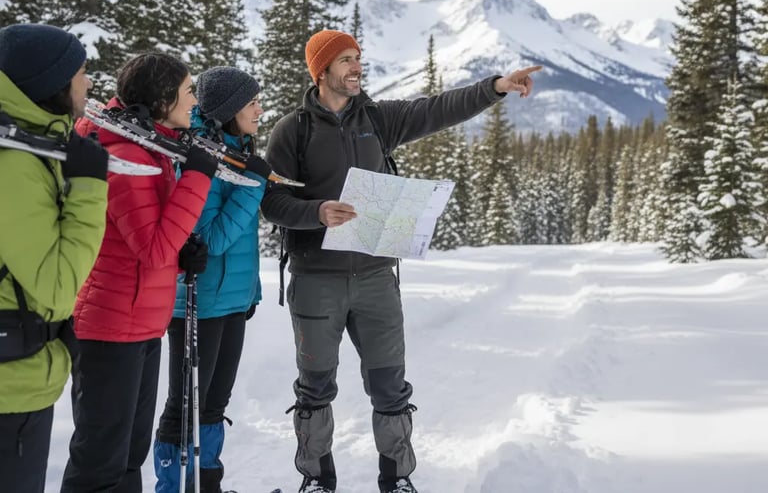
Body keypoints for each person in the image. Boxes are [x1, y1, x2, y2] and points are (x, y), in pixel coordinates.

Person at [261, 30, 541, 493]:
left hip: (376, 278)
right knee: (314, 387)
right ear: (322, 70)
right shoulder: (294, 130)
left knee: (391, 388)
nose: (356, 67)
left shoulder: (377, 118)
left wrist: (495, 87)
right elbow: (270, 202)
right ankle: (316, 480)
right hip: (316, 280)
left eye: (358, 58)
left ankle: (396, 479)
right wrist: (315, 212)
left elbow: (435, 109)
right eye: (346, 60)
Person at [61, 53, 219, 493]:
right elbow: (152, 250)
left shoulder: (152, 147)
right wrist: (197, 180)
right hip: (112, 326)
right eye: (189, 91)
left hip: (139, 322)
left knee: (129, 457)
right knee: (101, 462)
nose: (194, 103)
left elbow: (147, 240)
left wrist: (181, 253)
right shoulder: (126, 154)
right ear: (163, 98)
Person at [0, 24, 109, 493]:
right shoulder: (15, 165)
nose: (88, 84)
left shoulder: (31, 149)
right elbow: (57, 283)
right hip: (10, 390)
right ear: (52, 84)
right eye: (82, 73)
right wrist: (88, 188)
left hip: (24, 374)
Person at [153, 66, 269, 493]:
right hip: (197, 299)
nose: (259, 109)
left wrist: (250, 291)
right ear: (227, 110)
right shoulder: (199, 155)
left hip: (232, 299)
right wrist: (253, 183)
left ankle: (208, 485)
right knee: (184, 405)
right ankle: (170, 487)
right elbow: (210, 239)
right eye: (251, 102)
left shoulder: (238, 150)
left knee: (215, 403)